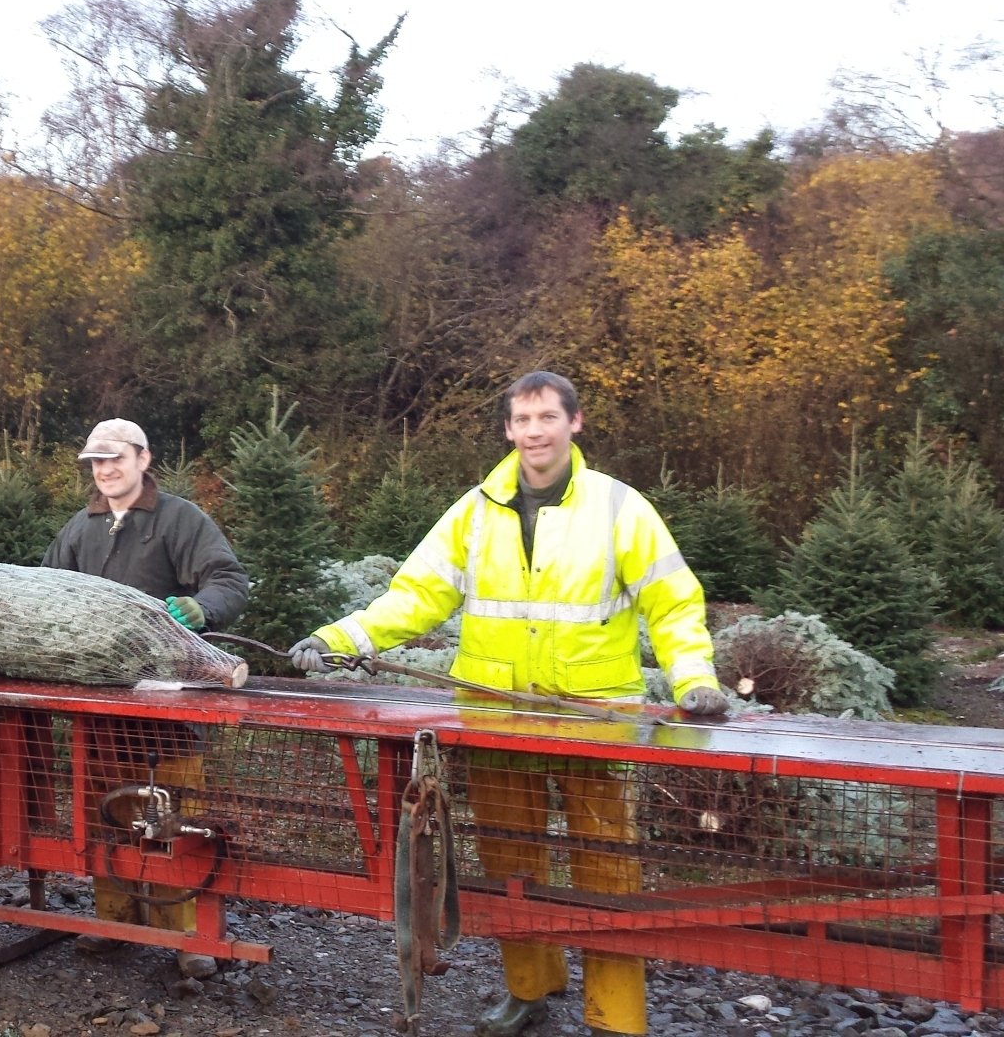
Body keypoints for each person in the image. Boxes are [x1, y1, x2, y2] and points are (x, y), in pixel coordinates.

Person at [287, 371, 729, 1037]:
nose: (534, 432)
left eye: (547, 418)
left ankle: (616, 1017)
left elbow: (672, 601)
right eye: (522, 420)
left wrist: (695, 677)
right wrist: (338, 637)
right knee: (508, 864)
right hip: (494, 720)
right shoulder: (475, 509)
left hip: (595, 720)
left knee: (606, 870)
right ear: (508, 430)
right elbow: (414, 595)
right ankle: (530, 989)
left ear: (574, 423)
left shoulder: (618, 507)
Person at [42, 417, 250, 981]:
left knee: (175, 816)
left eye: (117, 459)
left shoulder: (180, 520)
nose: (106, 470)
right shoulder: (80, 529)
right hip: (100, 710)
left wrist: (201, 609)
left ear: (143, 459)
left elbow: (229, 580)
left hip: (171, 710)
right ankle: (114, 922)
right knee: (105, 811)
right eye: (96, 462)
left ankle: (190, 935)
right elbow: (45, 592)